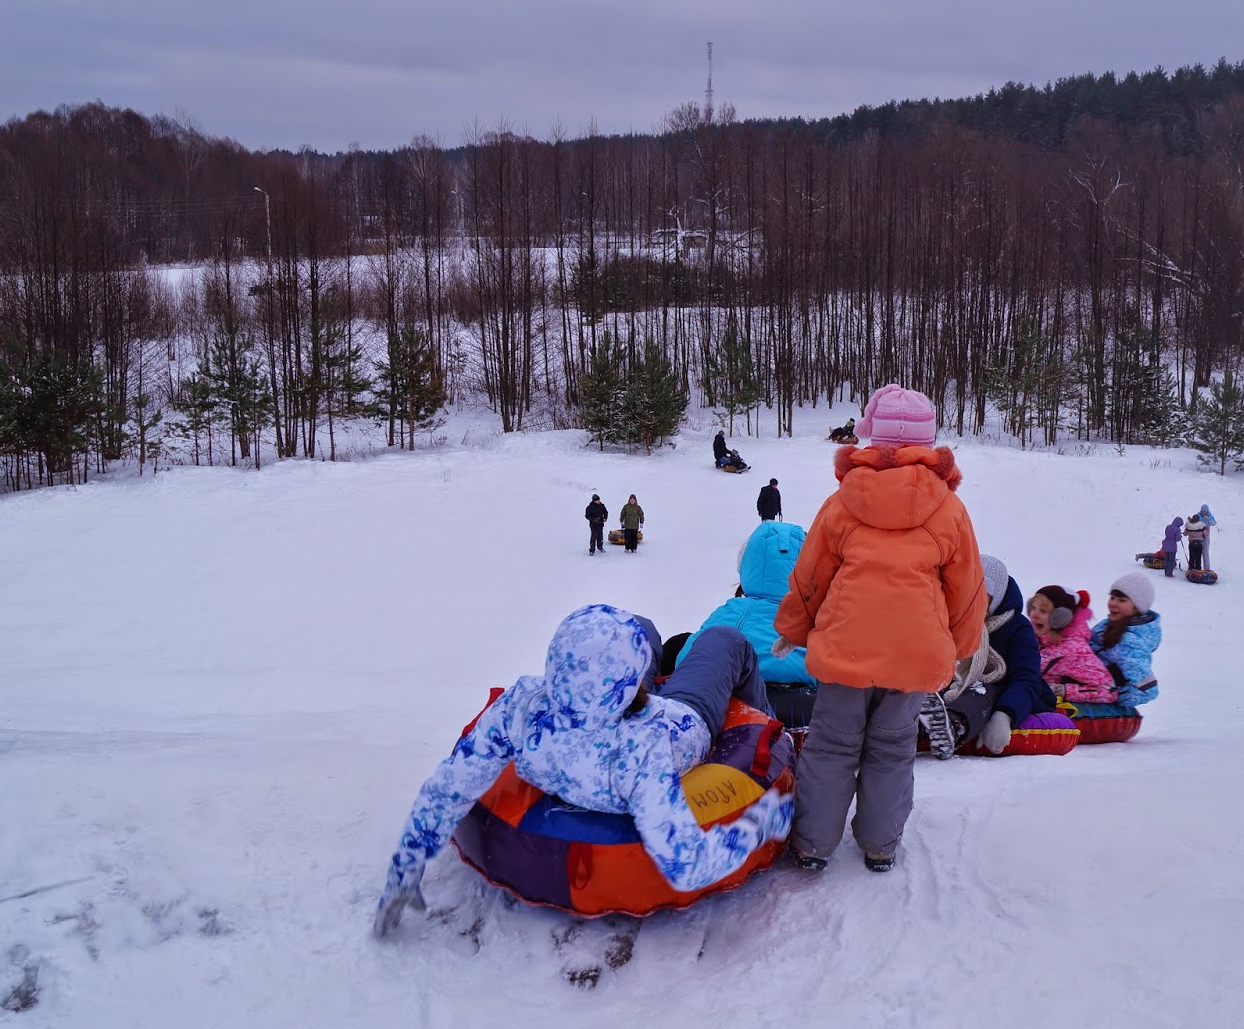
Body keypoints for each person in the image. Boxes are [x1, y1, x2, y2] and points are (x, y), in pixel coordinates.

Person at [373, 605, 793, 938]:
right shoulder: (639, 753)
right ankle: (780, 733)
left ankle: (626, 659)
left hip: (606, 719)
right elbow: (686, 863)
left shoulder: (521, 705)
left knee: (640, 624)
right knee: (724, 640)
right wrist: (761, 821)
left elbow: (451, 786)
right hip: (683, 722)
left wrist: (406, 866)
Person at [773, 383, 985, 873]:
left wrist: (793, 627)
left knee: (830, 745)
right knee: (892, 747)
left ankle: (812, 844)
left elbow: (811, 577)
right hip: (913, 655)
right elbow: (967, 588)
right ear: (927, 444)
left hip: (846, 648)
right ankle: (880, 844)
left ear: (871, 440)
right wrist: (962, 644)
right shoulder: (949, 510)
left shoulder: (843, 502)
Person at [918, 554, 1050, 759]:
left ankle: (952, 728)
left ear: (995, 597)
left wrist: (1005, 714)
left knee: (980, 689)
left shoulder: (1017, 628)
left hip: (1000, 692)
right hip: (955, 685)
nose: (969, 599)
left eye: (979, 593)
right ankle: (915, 729)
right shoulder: (951, 622)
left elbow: (1026, 678)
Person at [687, 520, 814, 728]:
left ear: (746, 566)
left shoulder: (733, 612)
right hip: (804, 712)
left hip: (742, 713)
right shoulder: (815, 620)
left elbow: (690, 660)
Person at [1028, 585, 1117, 704]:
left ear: (1060, 617)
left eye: (1043, 611)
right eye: (1033, 607)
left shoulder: (1074, 651)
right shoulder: (1032, 637)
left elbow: (1108, 690)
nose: (1034, 614)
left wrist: (1062, 690)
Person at [1091, 574, 1162, 708]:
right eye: (1112, 598)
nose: (1113, 603)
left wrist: (1113, 698)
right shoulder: (1108, 624)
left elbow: (1147, 690)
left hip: (1096, 706)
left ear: (1137, 607)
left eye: (1122, 600)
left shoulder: (1131, 643)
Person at [1197, 504, 1218, 570]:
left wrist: (1208, 519)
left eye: (1205, 511)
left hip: (1206, 537)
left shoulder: (1209, 515)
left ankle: (1207, 569)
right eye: (1203, 511)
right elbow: (1193, 521)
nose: (1203, 512)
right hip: (1198, 536)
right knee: (1197, 552)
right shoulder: (1198, 515)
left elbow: (1214, 523)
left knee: (1205, 553)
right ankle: (1197, 568)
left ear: (1207, 511)